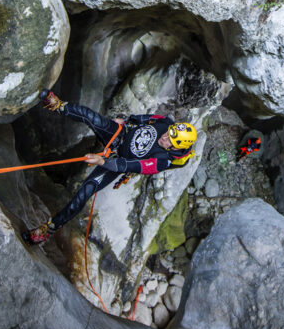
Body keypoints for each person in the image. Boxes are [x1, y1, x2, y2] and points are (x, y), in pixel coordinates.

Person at [22, 91, 199, 245]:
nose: (165, 138)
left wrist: (102, 162)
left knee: (84, 193)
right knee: (89, 116)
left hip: (117, 159)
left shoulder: (161, 162)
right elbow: (145, 120)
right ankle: (59, 106)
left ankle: (49, 229)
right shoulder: (167, 123)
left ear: (176, 148)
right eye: (168, 134)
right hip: (120, 134)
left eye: (169, 141)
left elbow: (128, 165)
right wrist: (126, 120)